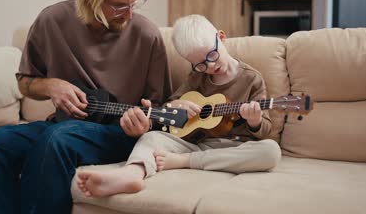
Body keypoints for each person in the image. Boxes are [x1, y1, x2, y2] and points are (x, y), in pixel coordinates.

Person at [0, 0, 172, 213]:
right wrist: (51, 85)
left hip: (118, 134)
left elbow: (162, 107)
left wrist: (145, 122)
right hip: (64, 126)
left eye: (135, 2)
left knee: (58, 138)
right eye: (119, 6)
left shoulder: (147, 35)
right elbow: (24, 83)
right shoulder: (51, 21)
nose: (129, 14)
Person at [77, 14, 281, 198]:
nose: (209, 66)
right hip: (196, 142)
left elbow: (265, 132)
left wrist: (254, 121)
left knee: (270, 152)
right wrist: (177, 104)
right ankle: (131, 174)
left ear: (221, 37)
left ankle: (187, 161)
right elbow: (168, 110)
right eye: (200, 63)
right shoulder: (197, 77)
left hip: (234, 147)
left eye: (211, 56)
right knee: (151, 137)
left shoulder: (251, 79)